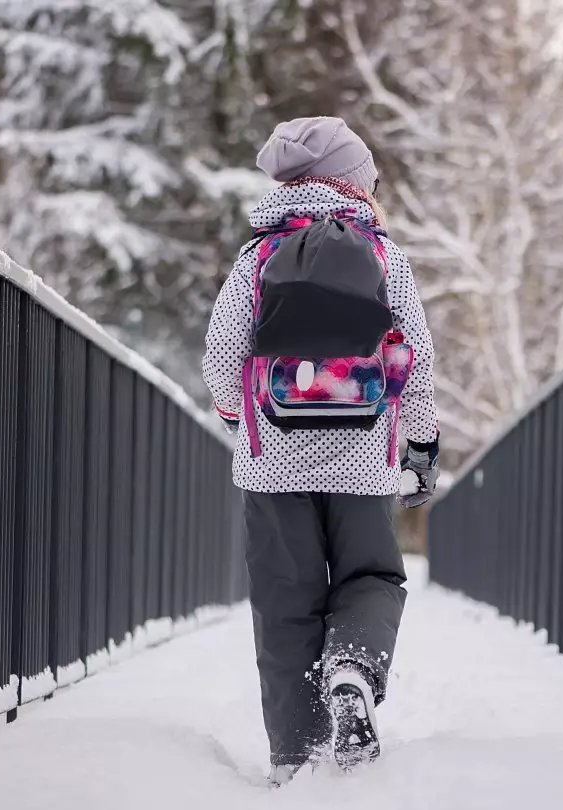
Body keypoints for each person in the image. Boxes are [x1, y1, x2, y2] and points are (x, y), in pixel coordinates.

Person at [201, 116, 440, 787]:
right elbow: (415, 362)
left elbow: (221, 360)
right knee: (371, 576)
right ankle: (353, 670)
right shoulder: (386, 257)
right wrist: (418, 447)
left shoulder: (257, 259)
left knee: (284, 600)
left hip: (272, 460)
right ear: (355, 183)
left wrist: (241, 421)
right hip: (365, 457)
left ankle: (293, 756)